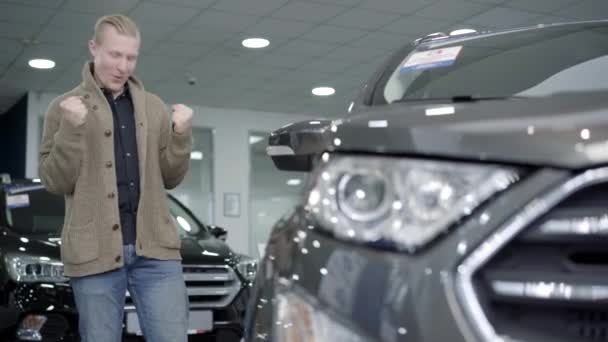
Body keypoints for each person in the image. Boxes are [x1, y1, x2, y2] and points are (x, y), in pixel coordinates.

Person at [38, 14, 193, 342]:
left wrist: (181, 135)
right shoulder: (63, 108)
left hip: (156, 252)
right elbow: (55, 181)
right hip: (94, 253)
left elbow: (171, 177)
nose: (123, 66)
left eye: (131, 57)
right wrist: (71, 128)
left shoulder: (153, 108)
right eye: (115, 54)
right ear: (94, 48)